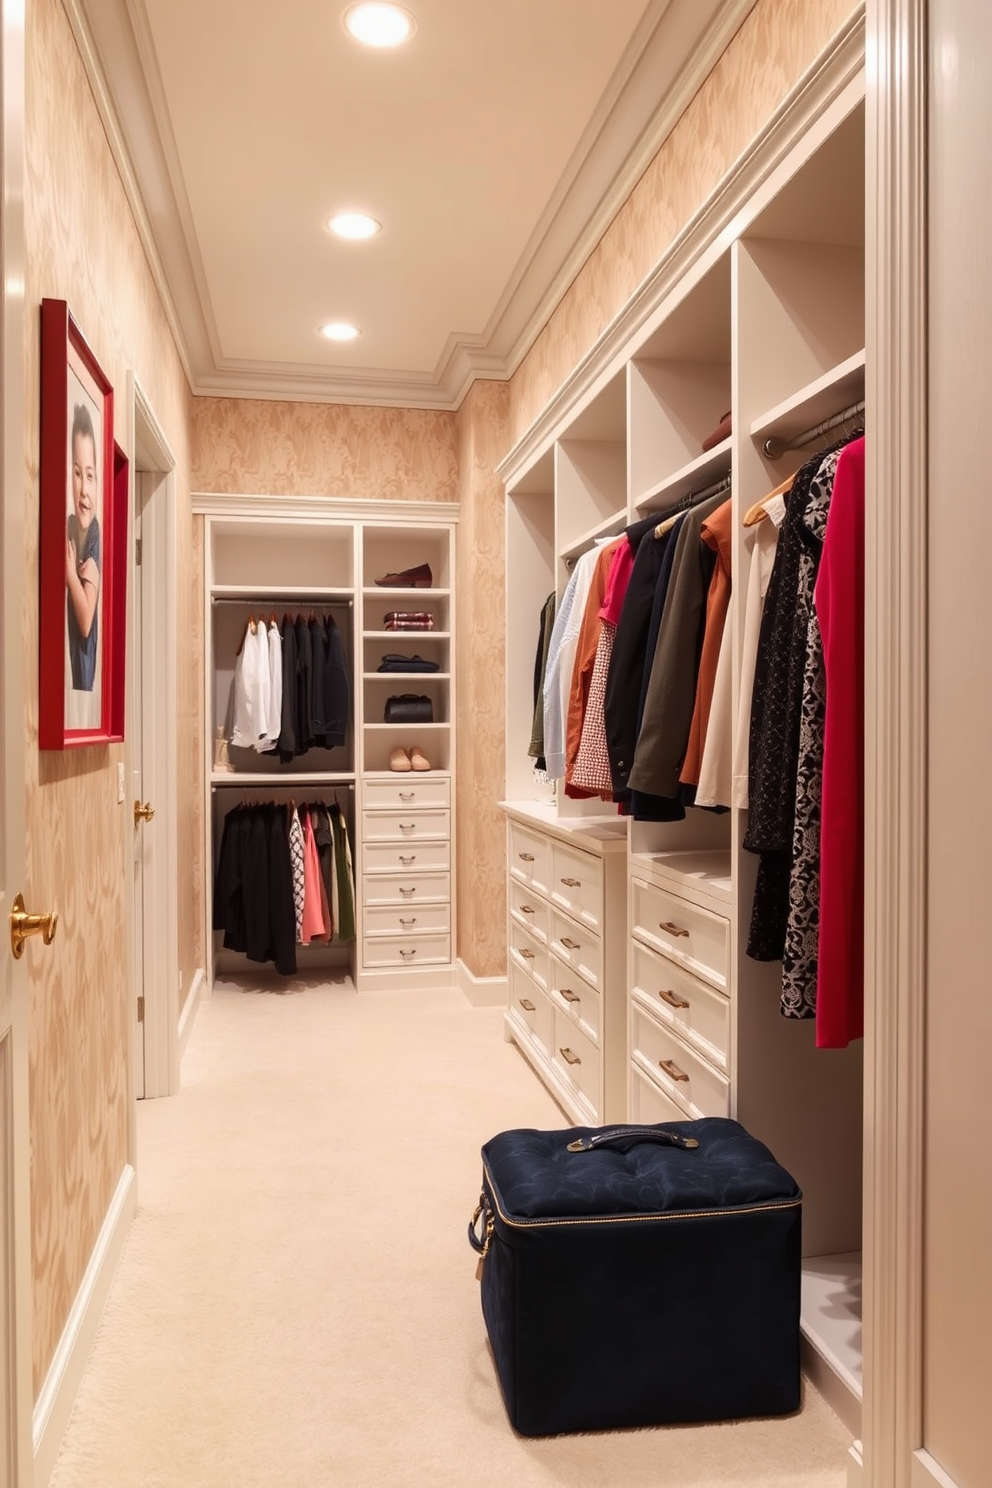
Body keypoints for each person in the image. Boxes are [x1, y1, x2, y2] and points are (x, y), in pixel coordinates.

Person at [65, 402, 101, 692]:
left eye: (90, 476)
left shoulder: (94, 537)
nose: (84, 490)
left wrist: (69, 574)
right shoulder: (68, 527)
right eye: (77, 473)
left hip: (84, 673)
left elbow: (86, 621)